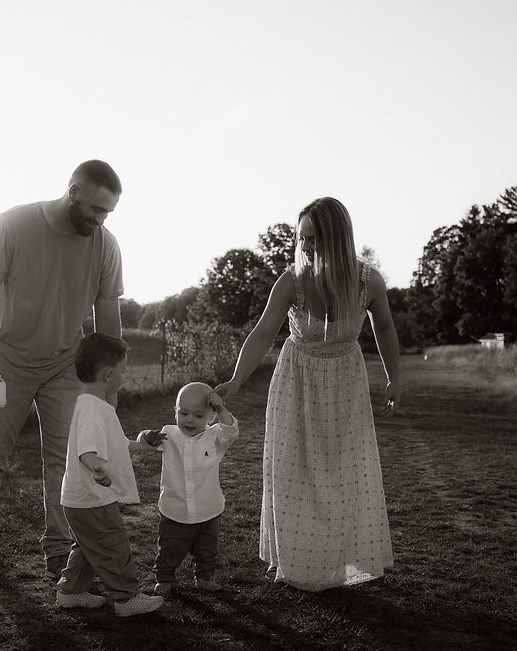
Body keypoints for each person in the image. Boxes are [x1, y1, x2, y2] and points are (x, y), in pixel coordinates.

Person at [215, 196, 400, 591]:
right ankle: (298, 562)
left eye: (314, 238)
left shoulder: (369, 281)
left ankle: (340, 561)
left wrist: (393, 377)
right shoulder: (292, 281)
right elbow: (263, 332)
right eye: (302, 238)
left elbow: (384, 328)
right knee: (294, 472)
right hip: (297, 381)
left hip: (345, 385)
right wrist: (234, 381)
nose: (307, 246)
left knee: (344, 475)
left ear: (338, 237)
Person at [0, 160, 125, 578]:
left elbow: (108, 319)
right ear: (73, 193)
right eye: (96, 209)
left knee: (66, 460)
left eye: (108, 212)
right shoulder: (13, 225)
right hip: (7, 362)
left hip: (65, 365)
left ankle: (58, 547)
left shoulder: (105, 246)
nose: (101, 220)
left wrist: (108, 387)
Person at [55, 333, 166, 616]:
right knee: (113, 544)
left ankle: (71, 592)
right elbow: (86, 450)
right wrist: (96, 469)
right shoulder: (92, 410)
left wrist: (142, 444)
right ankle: (127, 598)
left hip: (80, 499)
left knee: (88, 546)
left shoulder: (95, 405)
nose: (124, 376)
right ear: (108, 374)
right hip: (92, 496)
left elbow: (118, 444)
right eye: (123, 371)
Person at [141, 382, 239, 596]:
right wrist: (146, 435)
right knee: (169, 547)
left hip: (207, 510)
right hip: (175, 508)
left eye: (198, 415)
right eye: (183, 413)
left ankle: (203, 578)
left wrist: (221, 408)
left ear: (211, 417)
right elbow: (145, 441)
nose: (189, 420)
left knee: (207, 550)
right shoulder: (168, 434)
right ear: (175, 412)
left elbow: (231, 431)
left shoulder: (215, 438)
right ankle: (164, 579)